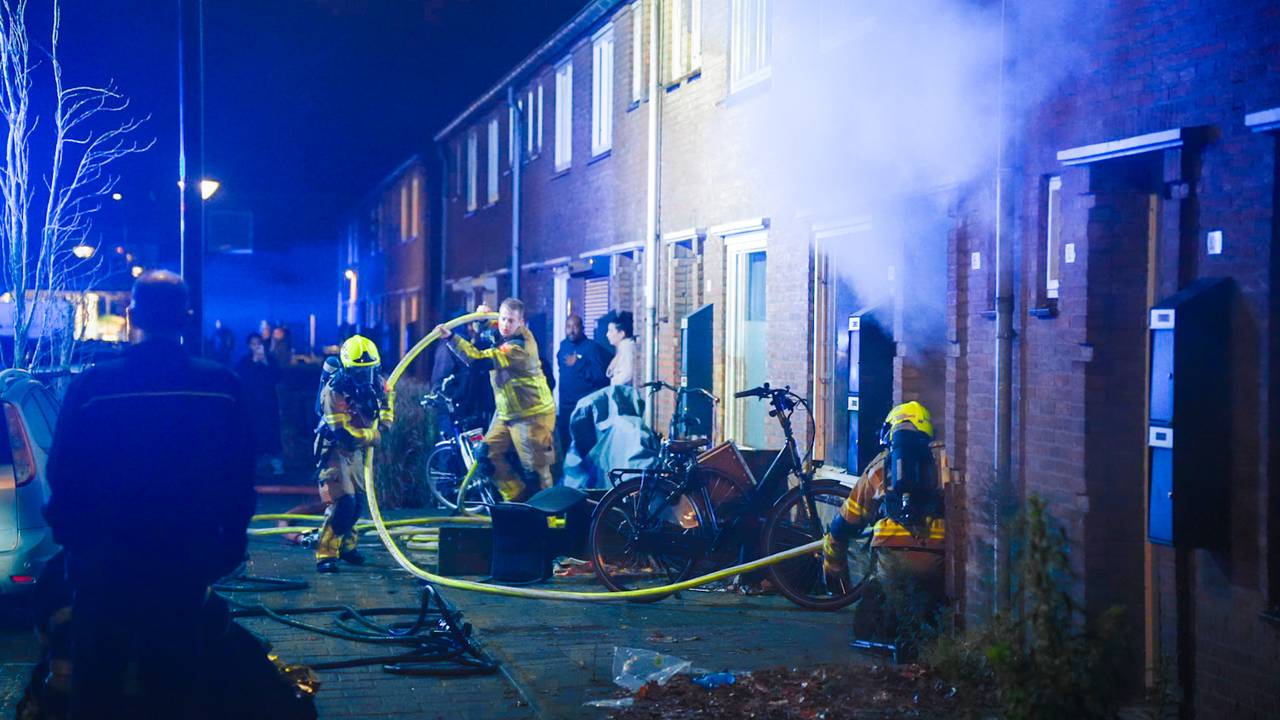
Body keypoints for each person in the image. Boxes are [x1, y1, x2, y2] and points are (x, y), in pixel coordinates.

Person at [44, 270, 257, 718]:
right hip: (184, 560)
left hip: (105, 562)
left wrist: (75, 545)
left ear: (133, 315)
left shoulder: (92, 387)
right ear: (187, 316)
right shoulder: (222, 388)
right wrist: (229, 542)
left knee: (96, 685)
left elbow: (64, 474)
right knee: (175, 685)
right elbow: (239, 476)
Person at [822, 401, 946, 648]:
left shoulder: (879, 466)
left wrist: (832, 563)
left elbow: (845, 523)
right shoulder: (944, 460)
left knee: (869, 622)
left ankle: (887, 638)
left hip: (891, 562)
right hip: (936, 560)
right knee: (933, 608)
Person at [434, 297, 555, 502]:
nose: (505, 325)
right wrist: (482, 320)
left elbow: (478, 360)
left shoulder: (518, 348)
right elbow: (493, 330)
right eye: (503, 319)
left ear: (521, 323)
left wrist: (452, 338)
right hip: (507, 413)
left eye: (511, 321)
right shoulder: (505, 333)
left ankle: (546, 515)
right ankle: (515, 502)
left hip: (531, 415)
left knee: (535, 472)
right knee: (486, 457)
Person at [314, 335, 393, 573]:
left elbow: (387, 403)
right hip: (333, 449)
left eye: (369, 371)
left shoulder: (378, 383)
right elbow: (343, 433)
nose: (365, 377)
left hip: (356, 451)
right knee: (344, 502)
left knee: (358, 501)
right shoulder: (334, 391)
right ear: (348, 370)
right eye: (359, 372)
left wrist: (385, 422)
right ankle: (326, 553)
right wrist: (372, 436)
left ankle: (347, 546)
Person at [555, 313, 609, 453]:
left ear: (582, 328)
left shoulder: (591, 348)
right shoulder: (563, 346)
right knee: (565, 443)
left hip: (583, 406)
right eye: (568, 327)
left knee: (584, 445)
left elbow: (600, 376)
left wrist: (579, 363)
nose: (571, 330)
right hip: (565, 405)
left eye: (575, 327)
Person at [237, 333, 286, 475]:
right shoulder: (245, 361)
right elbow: (242, 378)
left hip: (268, 402)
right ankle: (255, 463)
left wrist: (265, 362)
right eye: (253, 344)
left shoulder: (270, 360)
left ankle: (276, 463)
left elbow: (278, 377)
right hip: (251, 403)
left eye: (259, 343)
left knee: (272, 430)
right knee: (253, 431)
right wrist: (254, 362)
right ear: (249, 346)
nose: (256, 347)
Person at [605, 311, 636, 386]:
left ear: (622, 334)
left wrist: (614, 382)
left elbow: (628, 374)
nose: (607, 335)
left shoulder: (626, 347)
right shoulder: (621, 348)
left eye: (611, 331)